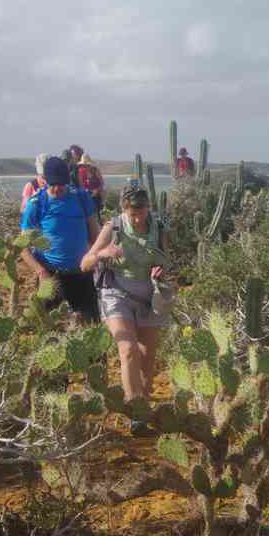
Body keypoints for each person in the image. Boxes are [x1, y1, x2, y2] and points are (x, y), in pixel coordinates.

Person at [80, 185, 175, 433]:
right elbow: (84, 263)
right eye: (132, 212)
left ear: (147, 208)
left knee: (147, 357)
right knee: (128, 350)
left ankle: (142, 403)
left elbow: (166, 259)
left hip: (149, 295)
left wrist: (162, 269)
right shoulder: (114, 227)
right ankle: (136, 414)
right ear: (124, 209)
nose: (137, 217)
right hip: (116, 293)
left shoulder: (159, 227)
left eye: (141, 211)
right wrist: (103, 253)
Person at [20, 156, 101, 323]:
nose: (57, 189)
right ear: (44, 181)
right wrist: (40, 272)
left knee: (91, 326)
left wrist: (96, 257)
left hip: (81, 274)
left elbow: (95, 235)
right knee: (47, 327)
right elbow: (23, 247)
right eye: (53, 184)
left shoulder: (81, 197)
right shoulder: (36, 204)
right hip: (50, 275)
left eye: (61, 184)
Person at [77, 152, 105, 223]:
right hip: (87, 194)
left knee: (97, 211)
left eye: (86, 165)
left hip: (97, 194)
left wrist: (97, 191)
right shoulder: (80, 172)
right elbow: (81, 185)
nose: (85, 166)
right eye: (84, 165)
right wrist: (87, 191)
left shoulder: (95, 170)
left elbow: (101, 183)